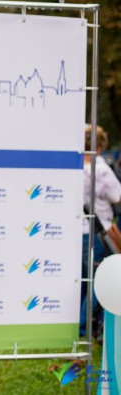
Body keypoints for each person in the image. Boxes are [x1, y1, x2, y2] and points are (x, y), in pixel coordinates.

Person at [80, 124, 121, 338]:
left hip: (75, 231)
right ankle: (84, 325)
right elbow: (118, 196)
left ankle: (76, 323)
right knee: (98, 280)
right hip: (97, 231)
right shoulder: (102, 170)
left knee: (81, 280)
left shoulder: (74, 167)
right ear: (99, 146)